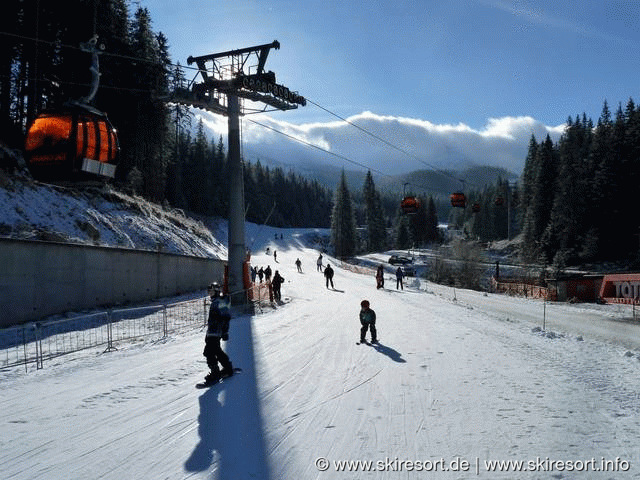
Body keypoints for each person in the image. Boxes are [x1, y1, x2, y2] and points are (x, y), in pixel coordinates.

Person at [202, 282, 233, 384]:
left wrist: (225, 332)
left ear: (216, 291)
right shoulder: (216, 301)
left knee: (209, 352)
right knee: (217, 351)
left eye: (211, 292)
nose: (210, 294)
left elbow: (226, 318)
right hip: (212, 332)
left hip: (216, 332)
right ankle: (228, 368)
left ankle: (215, 373)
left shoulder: (220, 301)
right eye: (209, 292)